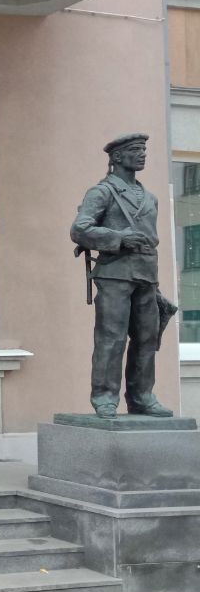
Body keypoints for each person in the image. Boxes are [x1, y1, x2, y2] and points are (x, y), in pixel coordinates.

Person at [70, 132, 173, 418]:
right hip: (114, 274)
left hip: (146, 274)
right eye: (135, 150)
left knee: (147, 338)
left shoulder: (150, 198)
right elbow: (79, 229)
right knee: (111, 337)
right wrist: (118, 238)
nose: (142, 155)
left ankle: (142, 396)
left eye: (144, 150)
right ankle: (104, 396)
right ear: (117, 157)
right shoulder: (102, 192)